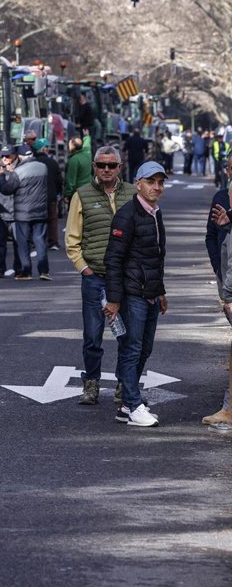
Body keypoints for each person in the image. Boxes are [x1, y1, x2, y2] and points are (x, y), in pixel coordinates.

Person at [66, 145, 137, 406]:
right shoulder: (82, 195)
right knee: (93, 335)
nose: (106, 169)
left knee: (127, 334)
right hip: (95, 276)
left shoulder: (133, 193)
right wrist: (84, 268)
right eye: (101, 165)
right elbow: (72, 238)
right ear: (94, 167)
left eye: (111, 165)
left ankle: (123, 384)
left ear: (120, 167)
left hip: (126, 278)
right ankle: (91, 384)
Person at [104, 161, 169, 428]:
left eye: (160, 183)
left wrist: (161, 291)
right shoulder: (127, 215)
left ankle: (126, 405)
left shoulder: (155, 213)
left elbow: (156, 258)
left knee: (144, 349)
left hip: (150, 293)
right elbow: (113, 259)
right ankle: (132, 404)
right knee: (132, 349)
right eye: (151, 182)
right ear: (138, 184)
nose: (157, 187)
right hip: (132, 295)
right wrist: (114, 299)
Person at [202, 161, 232, 426]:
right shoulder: (221, 197)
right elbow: (212, 238)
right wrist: (217, 269)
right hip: (227, 278)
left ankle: (229, 408)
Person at [0, 144, 51, 281]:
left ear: (20, 157)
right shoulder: (43, 167)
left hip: (23, 213)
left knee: (23, 242)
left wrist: (1, 176)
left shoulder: (19, 172)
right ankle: (44, 271)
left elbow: (7, 190)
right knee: (40, 241)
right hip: (40, 212)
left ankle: (26, 271)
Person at [0, 146, 21, 278]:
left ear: (14, 155)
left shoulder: (20, 168)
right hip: (1, 212)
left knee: (18, 243)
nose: (4, 158)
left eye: (7, 156)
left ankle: (19, 269)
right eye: (2, 156)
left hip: (17, 212)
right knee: (0, 244)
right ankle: (0, 269)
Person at [33, 137, 64, 250]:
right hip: (51, 196)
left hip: (36, 197)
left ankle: (36, 241)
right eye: (46, 147)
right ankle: (53, 242)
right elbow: (59, 180)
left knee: (36, 219)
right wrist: (59, 192)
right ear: (44, 149)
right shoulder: (52, 162)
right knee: (52, 219)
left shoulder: (32, 163)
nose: (48, 149)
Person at [63, 135, 93, 204]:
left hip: (77, 194)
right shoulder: (87, 156)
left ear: (73, 146)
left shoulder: (74, 160)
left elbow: (71, 181)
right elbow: (87, 144)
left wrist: (67, 194)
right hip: (88, 191)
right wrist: (87, 136)